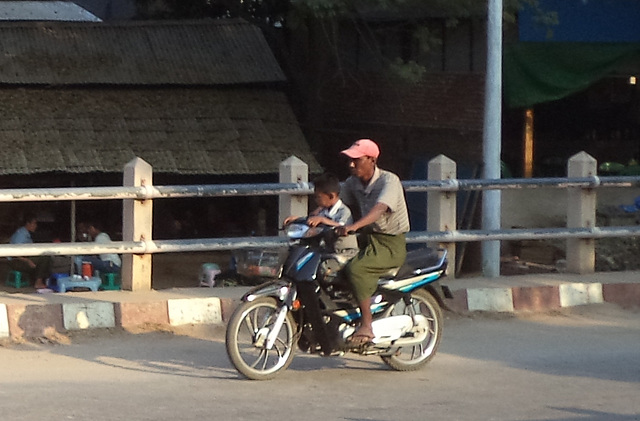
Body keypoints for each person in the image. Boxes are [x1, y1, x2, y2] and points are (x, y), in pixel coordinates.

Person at [336, 139, 410, 345]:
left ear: (371, 160)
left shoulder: (389, 181)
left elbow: (379, 210)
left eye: (356, 160)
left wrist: (354, 226)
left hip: (389, 244)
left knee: (357, 269)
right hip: (366, 239)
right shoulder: (353, 183)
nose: (351, 165)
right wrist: (310, 219)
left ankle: (367, 326)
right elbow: (335, 204)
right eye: (349, 160)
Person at [283, 172, 358, 257]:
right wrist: (298, 219)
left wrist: (323, 220)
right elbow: (312, 220)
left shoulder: (344, 212)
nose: (315, 200)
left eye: (318, 197)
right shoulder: (322, 210)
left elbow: (342, 227)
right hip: (325, 249)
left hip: (341, 252)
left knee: (324, 268)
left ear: (330, 196)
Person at [9, 212, 52, 289]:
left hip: (24, 259)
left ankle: (39, 280)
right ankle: (38, 282)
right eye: (34, 223)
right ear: (28, 223)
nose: (36, 226)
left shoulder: (26, 233)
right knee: (45, 258)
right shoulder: (21, 234)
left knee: (44, 257)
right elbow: (14, 252)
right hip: (17, 261)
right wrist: (27, 260)